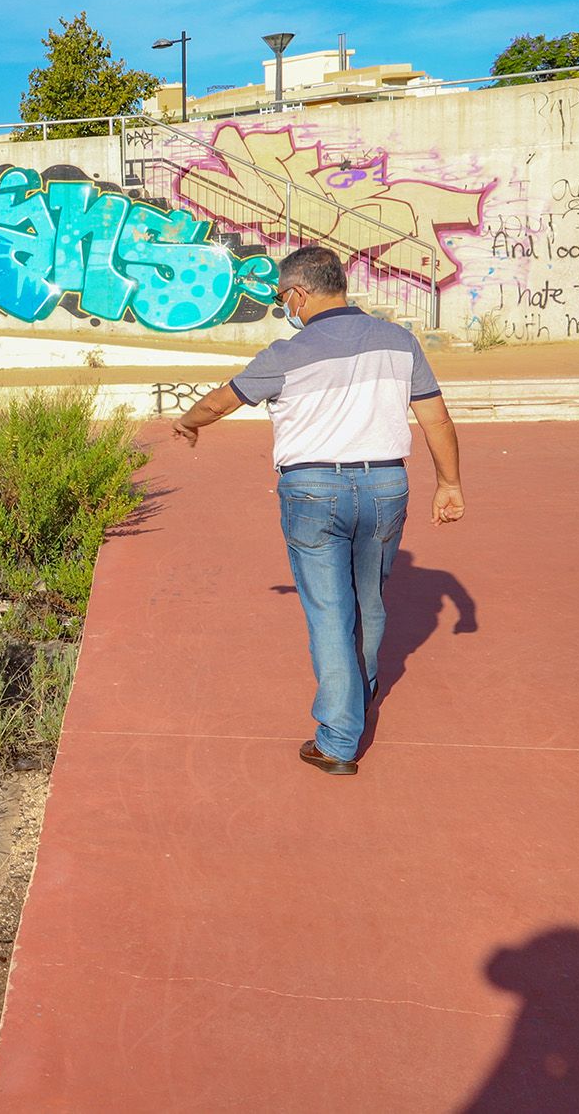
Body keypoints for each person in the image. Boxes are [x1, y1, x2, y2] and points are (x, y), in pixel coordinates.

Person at [169, 245, 464, 775]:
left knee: (329, 612)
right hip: (385, 485)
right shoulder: (399, 342)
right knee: (369, 602)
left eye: (283, 297)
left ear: (299, 294)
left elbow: (220, 401)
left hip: (311, 491)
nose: (285, 306)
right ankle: (357, 699)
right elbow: (436, 419)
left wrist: (190, 423)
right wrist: (450, 483)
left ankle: (338, 739)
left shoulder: (285, 354)